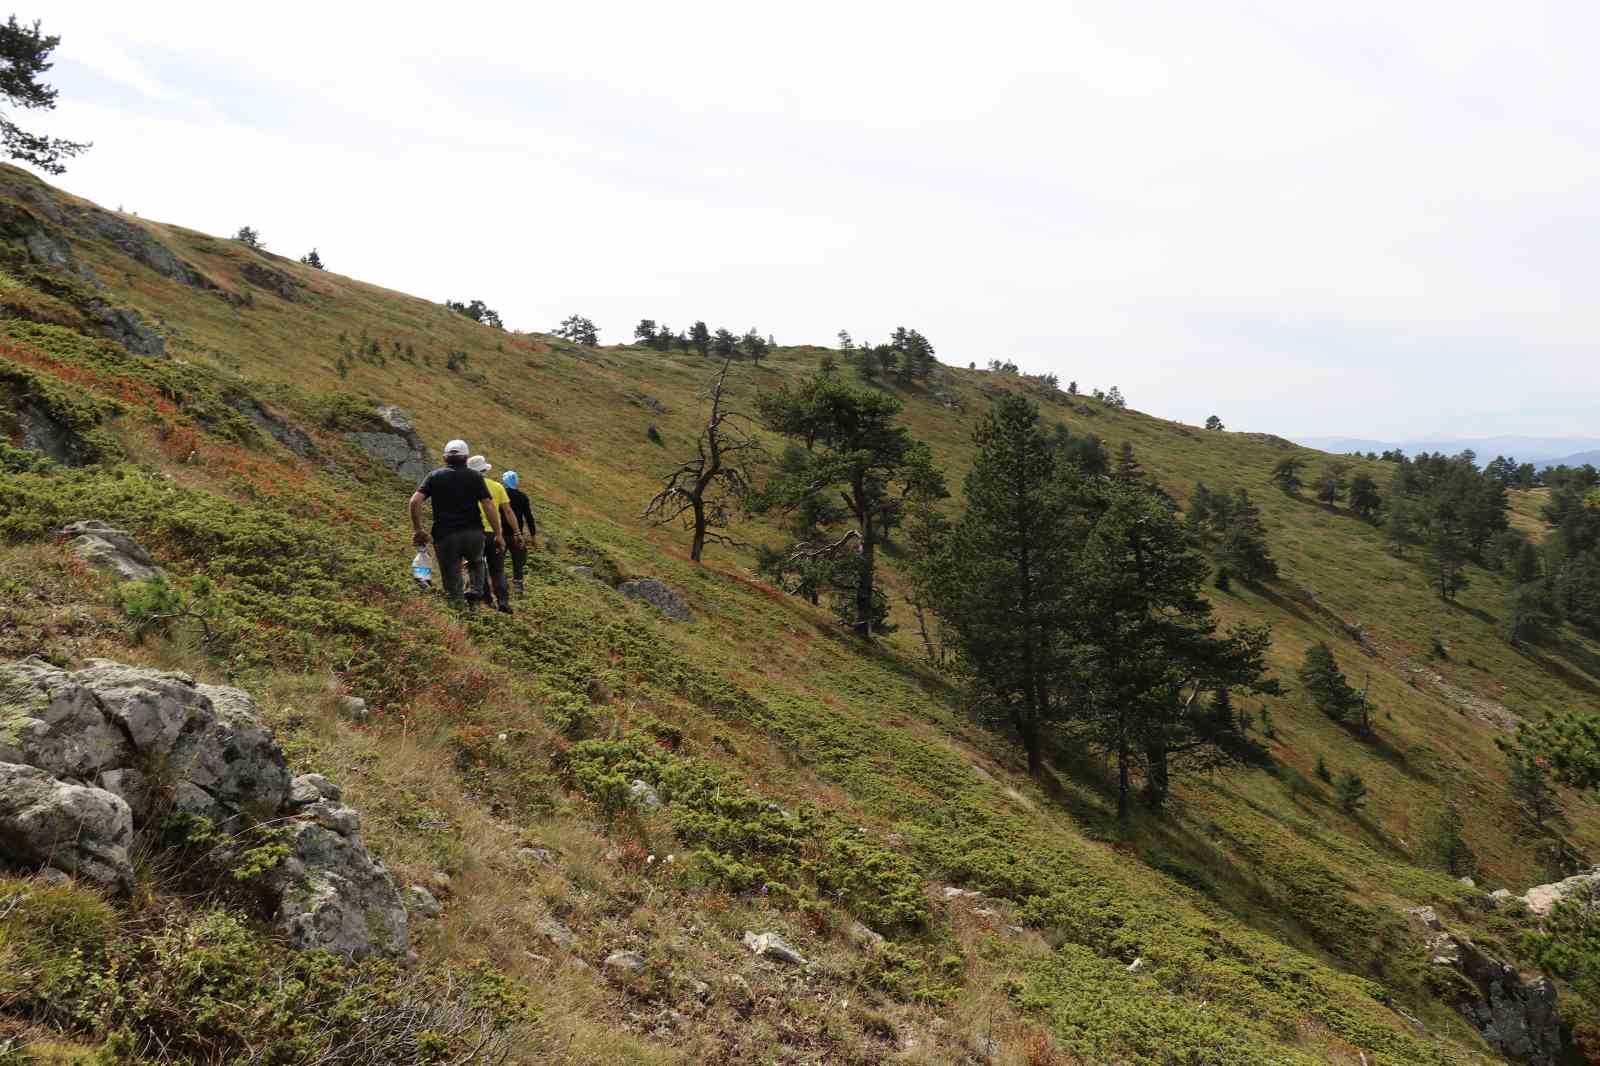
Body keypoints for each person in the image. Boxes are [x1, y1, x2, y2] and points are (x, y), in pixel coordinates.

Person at [409, 439, 503, 608]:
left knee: (451, 576)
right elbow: (488, 505)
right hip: (473, 534)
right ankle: (475, 592)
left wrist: (418, 530)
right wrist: (498, 533)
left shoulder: (435, 476)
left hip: (445, 536)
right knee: (476, 562)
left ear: (445, 458)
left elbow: (415, 502)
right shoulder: (475, 476)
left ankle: (459, 608)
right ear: (466, 458)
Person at [467, 454, 516, 613]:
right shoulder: (497, 487)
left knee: (478, 566)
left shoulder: (467, 487)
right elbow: (508, 511)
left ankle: (486, 600)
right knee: (498, 569)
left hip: (474, 533)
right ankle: (503, 601)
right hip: (494, 534)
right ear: (484, 470)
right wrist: (516, 532)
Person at [501, 470, 535, 594]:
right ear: (516, 481)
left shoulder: (501, 494)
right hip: (517, 534)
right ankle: (518, 587)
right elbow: (529, 517)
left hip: (501, 533)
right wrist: (533, 535)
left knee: (499, 560)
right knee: (518, 561)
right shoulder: (522, 496)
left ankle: (500, 584)